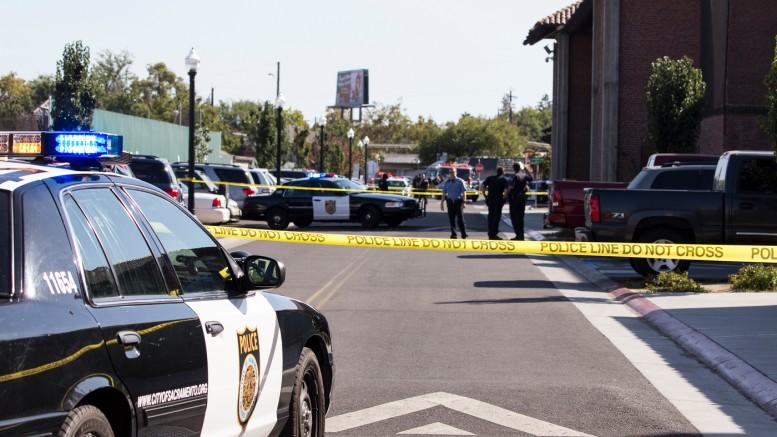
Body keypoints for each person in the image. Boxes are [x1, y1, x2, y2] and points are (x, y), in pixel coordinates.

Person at [506, 162, 534, 240]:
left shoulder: (514, 176)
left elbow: (510, 188)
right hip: (522, 199)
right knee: (521, 218)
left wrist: (506, 196)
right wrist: (526, 169)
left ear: (514, 168)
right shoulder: (524, 175)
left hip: (514, 199)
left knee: (514, 218)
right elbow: (531, 178)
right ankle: (521, 236)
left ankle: (518, 235)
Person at [481, 167, 509, 240]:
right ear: (503, 172)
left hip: (490, 200)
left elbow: (482, 186)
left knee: (490, 217)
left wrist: (485, 195)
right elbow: (506, 191)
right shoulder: (503, 180)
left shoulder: (490, 178)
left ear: (496, 172)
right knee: (496, 218)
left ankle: (490, 234)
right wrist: (504, 199)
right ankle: (494, 234)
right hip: (498, 200)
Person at [440, 168, 467, 239]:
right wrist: (442, 203)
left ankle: (463, 233)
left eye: (453, 172)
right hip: (450, 202)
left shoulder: (460, 181)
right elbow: (444, 193)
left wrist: (464, 202)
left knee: (460, 219)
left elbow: (464, 192)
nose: (452, 173)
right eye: (450, 172)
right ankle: (454, 234)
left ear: (456, 173)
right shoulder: (447, 182)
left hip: (458, 202)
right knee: (451, 219)